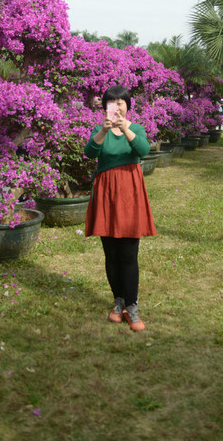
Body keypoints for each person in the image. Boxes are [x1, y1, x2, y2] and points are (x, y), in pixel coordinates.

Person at [84, 85, 156, 331]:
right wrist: (104, 131)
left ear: (128, 104)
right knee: (111, 254)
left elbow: (143, 151)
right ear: (105, 107)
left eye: (121, 101)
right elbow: (89, 153)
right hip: (106, 194)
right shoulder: (99, 130)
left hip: (130, 193)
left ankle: (132, 306)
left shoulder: (135, 128)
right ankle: (118, 301)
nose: (117, 105)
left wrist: (125, 129)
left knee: (128, 254)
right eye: (112, 102)